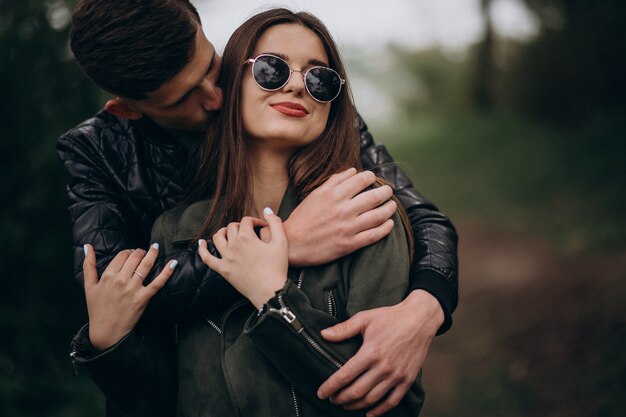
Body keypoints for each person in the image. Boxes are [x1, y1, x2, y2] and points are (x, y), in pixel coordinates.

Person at [61, 1, 458, 416]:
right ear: (129, 109)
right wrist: (279, 244)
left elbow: (421, 217)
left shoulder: (352, 193)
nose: (216, 97)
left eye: (213, 66)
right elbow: (121, 299)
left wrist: (427, 304)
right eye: (184, 97)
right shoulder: (100, 158)